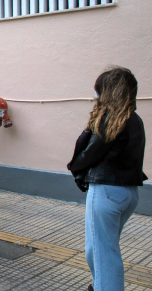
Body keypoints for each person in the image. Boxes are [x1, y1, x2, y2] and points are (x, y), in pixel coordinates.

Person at [68, 67, 146, 291]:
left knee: (102, 253)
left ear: (109, 91)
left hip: (106, 192)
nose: (96, 95)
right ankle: (98, 285)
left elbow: (89, 154)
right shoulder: (134, 119)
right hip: (128, 193)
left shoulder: (110, 119)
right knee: (103, 248)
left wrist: (75, 168)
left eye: (99, 90)